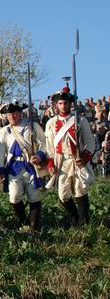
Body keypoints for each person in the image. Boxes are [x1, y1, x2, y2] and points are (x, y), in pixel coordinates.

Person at [45, 86, 96, 226]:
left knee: (80, 191)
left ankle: (83, 223)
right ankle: (75, 218)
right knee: (63, 195)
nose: (63, 106)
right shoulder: (50, 123)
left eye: (66, 103)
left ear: (70, 103)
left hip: (77, 160)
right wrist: (50, 164)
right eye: (60, 103)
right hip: (61, 162)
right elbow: (49, 147)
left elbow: (90, 142)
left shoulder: (80, 120)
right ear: (56, 105)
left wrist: (84, 158)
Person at [0, 101, 47, 231]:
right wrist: (1, 171)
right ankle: (24, 222)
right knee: (14, 197)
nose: (12, 116)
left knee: (34, 196)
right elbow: (0, 153)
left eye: (15, 113)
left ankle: (34, 228)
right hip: (13, 167)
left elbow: (43, 144)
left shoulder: (32, 126)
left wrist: (39, 156)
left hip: (31, 166)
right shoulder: (4, 131)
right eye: (9, 114)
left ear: (20, 113)